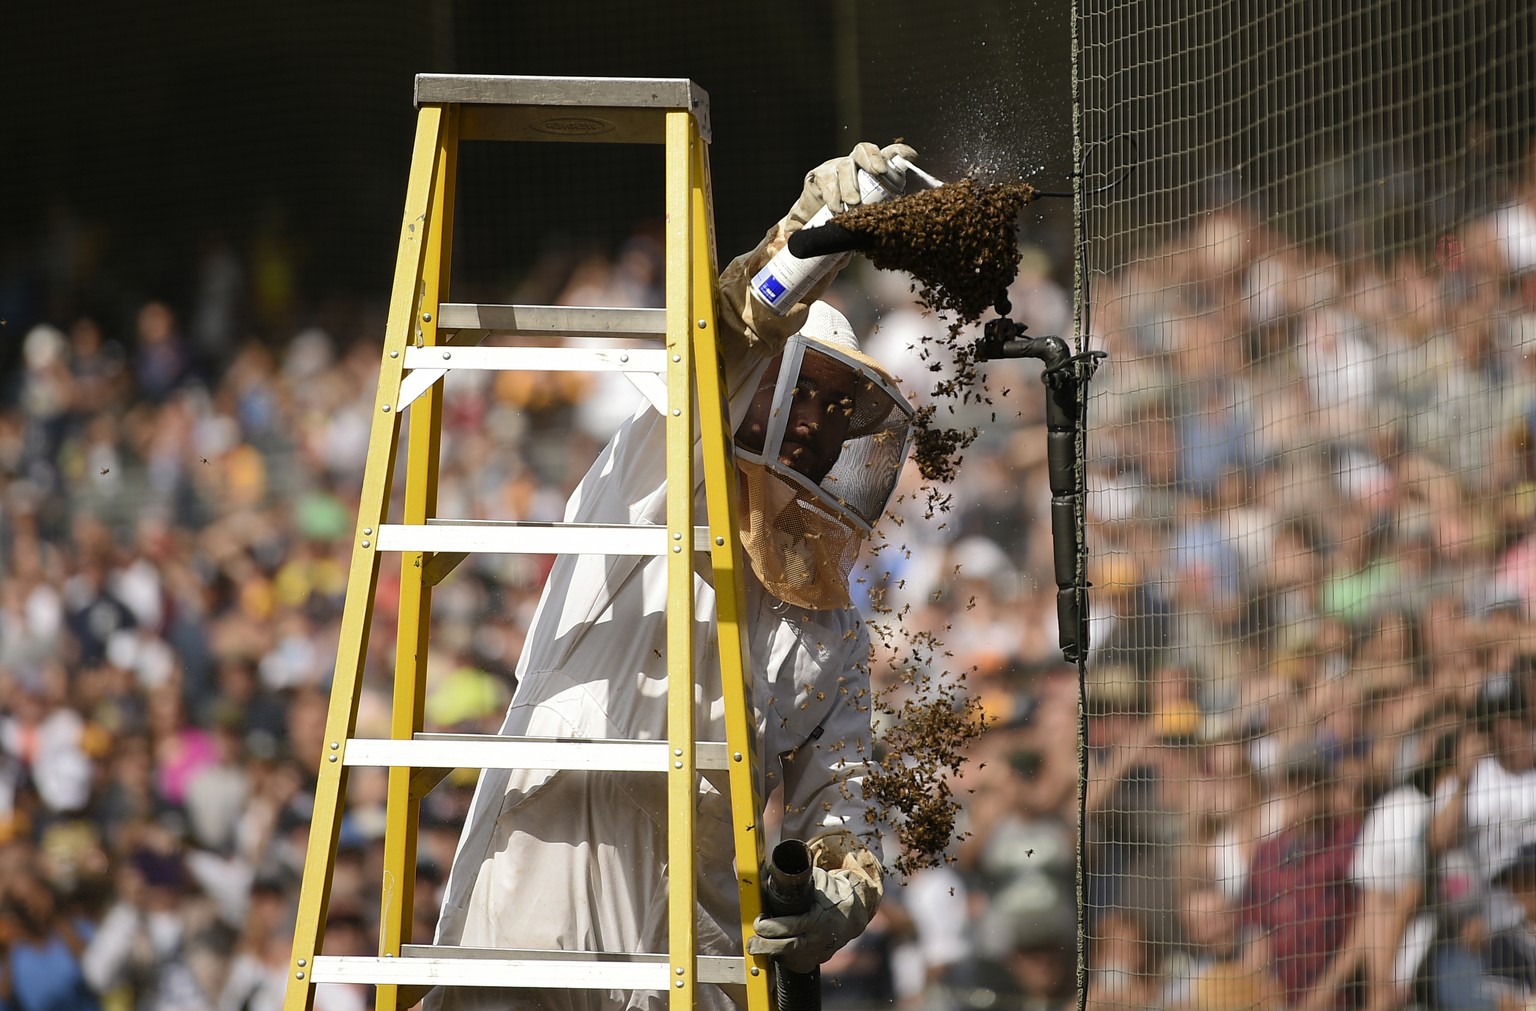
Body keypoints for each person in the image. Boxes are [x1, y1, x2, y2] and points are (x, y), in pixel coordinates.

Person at [428, 141, 922, 1011]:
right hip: (555, 865)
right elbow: (734, 322)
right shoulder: (661, 462)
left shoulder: (831, 625)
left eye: (837, 412)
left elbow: (843, 810)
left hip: (700, 926)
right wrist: (819, 230)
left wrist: (838, 900)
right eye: (802, 394)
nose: (814, 426)